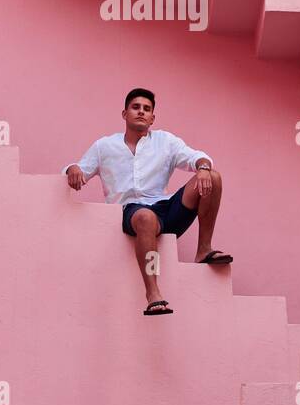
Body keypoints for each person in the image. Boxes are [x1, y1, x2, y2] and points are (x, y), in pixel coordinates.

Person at [63, 88, 232, 316]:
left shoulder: (165, 141)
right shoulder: (105, 146)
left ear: (152, 117)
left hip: (166, 209)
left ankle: (203, 249)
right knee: (145, 216)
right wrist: (72, 169)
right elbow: (79, 170)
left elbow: (197, 156)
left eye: (147, 109)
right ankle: (153, 294)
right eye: (136, 107)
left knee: (213, 176)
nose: (141, 112)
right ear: (124, 114)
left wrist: (202, 168)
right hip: (132, 212)